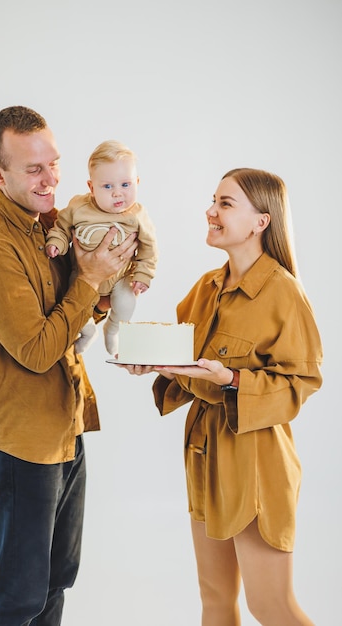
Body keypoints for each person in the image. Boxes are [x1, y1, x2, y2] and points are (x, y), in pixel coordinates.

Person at [0, 105, 138, 626]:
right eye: (34, 169)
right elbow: (36, 349)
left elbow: (75, 314)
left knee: (56, 581)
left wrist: (102, 285)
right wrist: (89, 278)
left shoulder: (49, 226)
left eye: (53, 164)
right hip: (18, 441)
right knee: (18, 597)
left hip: (64, 426)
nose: (50, 178)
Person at [121, 168, 323, 625]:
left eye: (226, 204)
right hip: (204, 457)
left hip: (255, 464)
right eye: (214, 200)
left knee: (269, 605)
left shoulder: (283, 293)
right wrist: (154, 363)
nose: (210, 211)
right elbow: (184, 362)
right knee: (215, 600)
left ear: (261, 222)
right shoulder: (207, 287)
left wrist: (232, 379)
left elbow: (301, 383)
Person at [45, 139, 158, 356]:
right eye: (107, 186)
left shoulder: (136, 215)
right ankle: (88, 332)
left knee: (126, 305)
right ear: (91, 187)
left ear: (137, 181)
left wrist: (144, 275)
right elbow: (61, 227)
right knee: (76, 310)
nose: (118, 193)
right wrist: (56, 243)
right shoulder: (79, 207)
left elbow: (149, 247)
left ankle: (112, 328)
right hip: (82, 277)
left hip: (121, 278)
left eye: (126, 185)